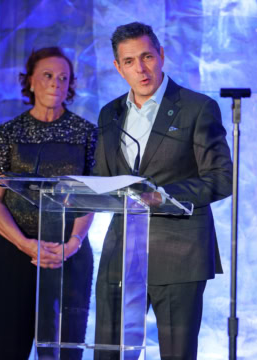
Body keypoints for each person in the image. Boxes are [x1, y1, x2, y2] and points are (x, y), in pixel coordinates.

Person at [93, 22, 233, 360]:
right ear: (118, 67)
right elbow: (104, 176)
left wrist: (163, 195)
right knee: (109, 354)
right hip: (120, 256)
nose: (140, 69)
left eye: (147, 57)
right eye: (129, 61)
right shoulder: (109, 114)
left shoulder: (196, 108)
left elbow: (221, 177)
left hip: (179, 255)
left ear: (161, 55)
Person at [0, 47, 96, 360]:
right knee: (4, 350)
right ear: (31, 81)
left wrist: (72, 243)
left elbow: (91, 197)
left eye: (63, 78)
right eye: (47, 75)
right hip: (9, 255)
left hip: (67, 257)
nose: (55, 83)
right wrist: (25, 244)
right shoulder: (10, 132)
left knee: (63, 353)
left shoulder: (87, 134)